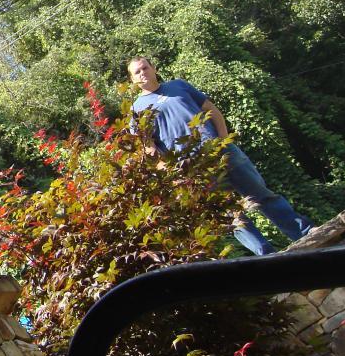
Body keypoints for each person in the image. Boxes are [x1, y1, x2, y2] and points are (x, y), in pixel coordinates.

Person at [127, 55, 312, 255]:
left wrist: (224, 140)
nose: (142, 73)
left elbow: (212, 110)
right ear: (133, 80)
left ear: (154, 68)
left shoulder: (178, 85)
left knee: (261, 194)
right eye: (137, 72)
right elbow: (148, 147)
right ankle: (267, 256)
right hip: (193, 168)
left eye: (145, 68)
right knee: (231, 215)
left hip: (222, 151)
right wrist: (171, 173)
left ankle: (305, 233)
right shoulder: (137, 109)